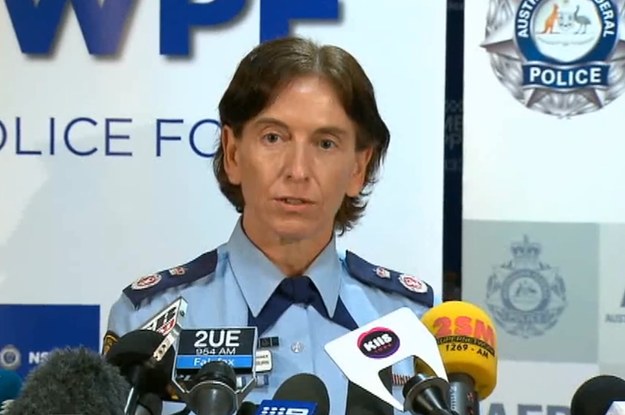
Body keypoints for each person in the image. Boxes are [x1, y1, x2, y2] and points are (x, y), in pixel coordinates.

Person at [106, 36, 437, 415]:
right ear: (232, 152)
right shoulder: (149, 323)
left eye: (325, 143)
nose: (297, 170)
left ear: (358, 168)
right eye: (274, 137)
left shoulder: (412, 321)